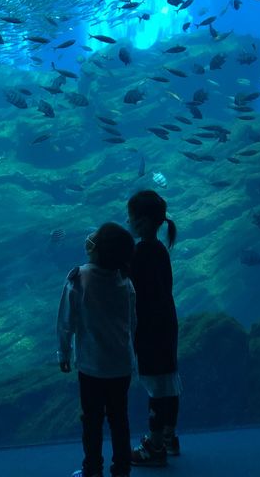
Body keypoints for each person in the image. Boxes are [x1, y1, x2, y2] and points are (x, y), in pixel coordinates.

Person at [57, 222, 137, 477]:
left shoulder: (78, 278)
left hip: (91, 366)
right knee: (119, 419)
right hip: (121, 365)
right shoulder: (126, 281)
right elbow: (133, 322)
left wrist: (64, 353)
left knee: (91, 421)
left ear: (99, 249)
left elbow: (65, 322)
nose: (90, 238)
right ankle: (122, 469)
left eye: (96, 237)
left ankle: (92, 470)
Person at [127, 190, 181, 467]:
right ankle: (170, 437)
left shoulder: (139, 253)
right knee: (169, 381)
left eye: (131, 217)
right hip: (167, 323)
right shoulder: (159, 249)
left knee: (155, 387)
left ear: (144, 222)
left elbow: (129, 288)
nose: (128, 222)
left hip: (149, 328)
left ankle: (154, 445)